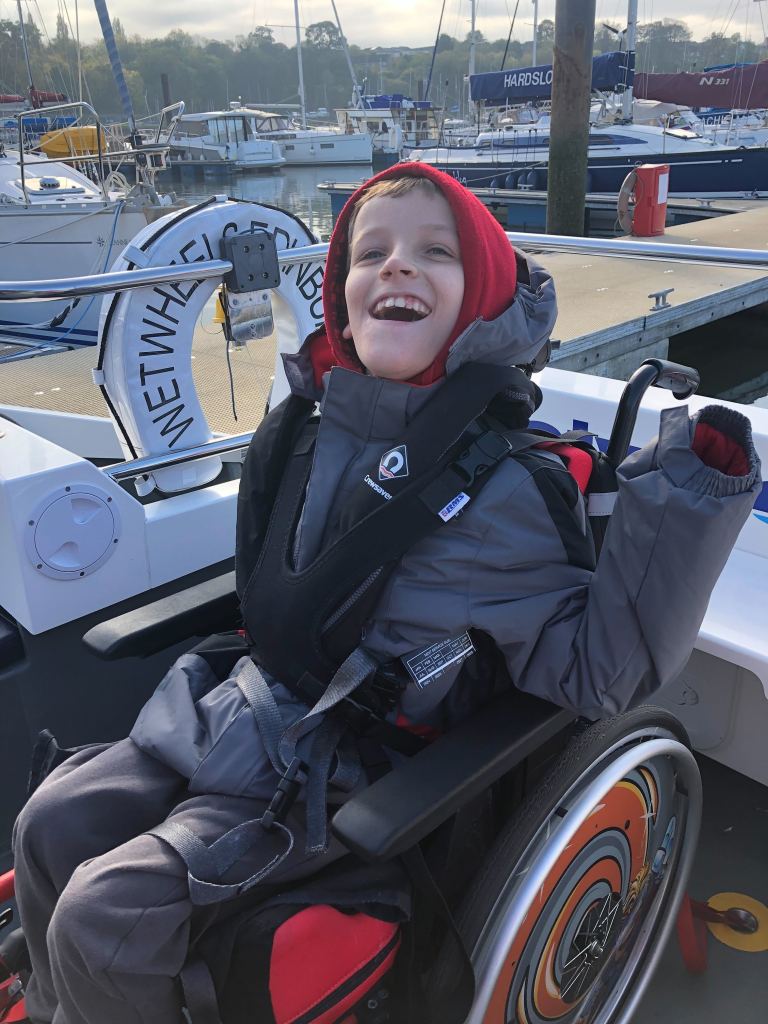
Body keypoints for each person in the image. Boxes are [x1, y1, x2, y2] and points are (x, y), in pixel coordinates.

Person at [12, 164, 761, 1024]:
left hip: (352, 779)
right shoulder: (310, 427)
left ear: (480, 298)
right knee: (50, 824)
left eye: (434, 253)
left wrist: (689, 498)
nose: (397, 266)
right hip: (241, 718)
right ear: (340, 293)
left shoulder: (509, 490)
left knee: (107, 915)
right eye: (372, 253)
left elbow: (596, 674)